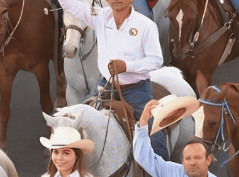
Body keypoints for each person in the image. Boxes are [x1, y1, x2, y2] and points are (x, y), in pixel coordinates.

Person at [59, 0, 169, 160]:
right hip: (105, 86)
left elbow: (156, 61)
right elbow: (72, 6)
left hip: (136, 91)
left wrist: (127, 66)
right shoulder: (99, 17)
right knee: (78, 122)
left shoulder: (146, 25)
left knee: (153, 131)